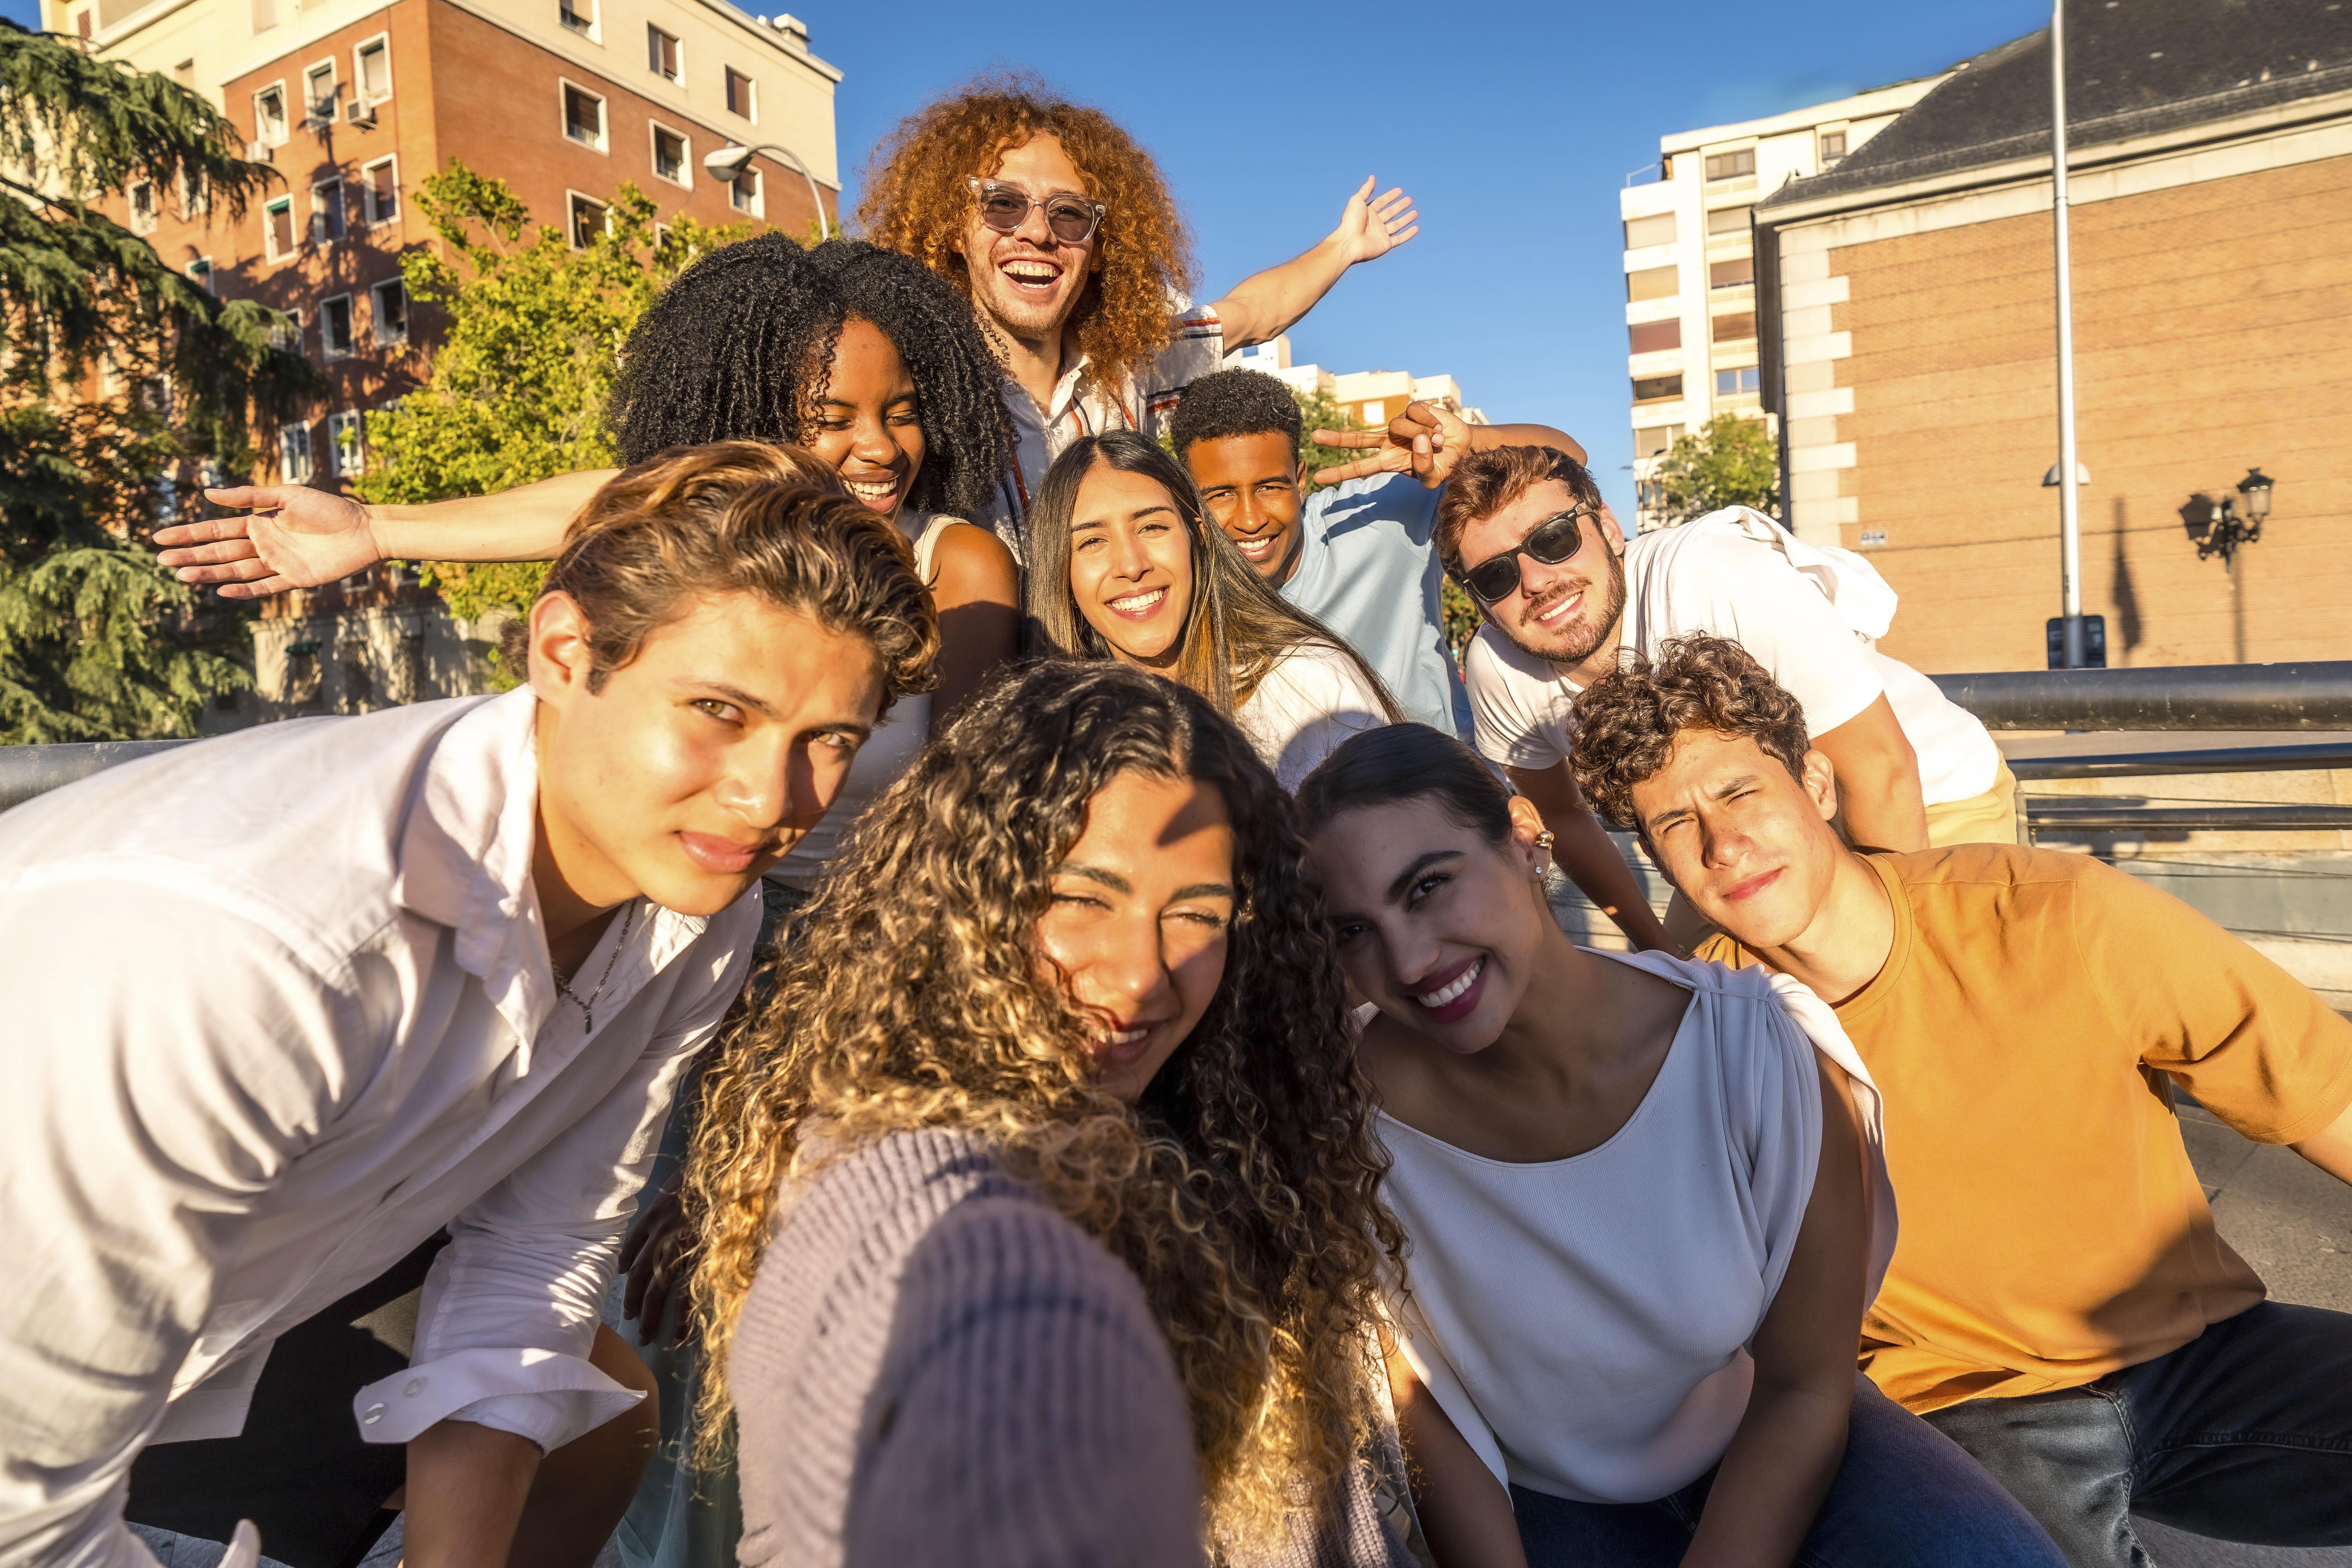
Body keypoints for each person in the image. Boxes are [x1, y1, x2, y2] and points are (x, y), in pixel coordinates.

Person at [0, 445, 937, 1568]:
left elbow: (536, 1253)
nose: (769, 798)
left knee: (604, 1396)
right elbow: (28, 1509)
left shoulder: (698, 910)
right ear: (560, 651)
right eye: (717, 711)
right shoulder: (271, 953)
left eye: (827, 741)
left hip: (133, 1395)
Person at [1569, 633, 2352, 1566]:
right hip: (1958, 1409)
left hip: (2195, 1355)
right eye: (1674, 825)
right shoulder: (1694, 1037)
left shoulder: (2050, 913)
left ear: (1816, 784)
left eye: (1739, 792)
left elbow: (2318, 1089)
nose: (1721, 844)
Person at [682, 659, 1416, 1566]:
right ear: (967, 896)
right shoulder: (917, 1188)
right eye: (1079, 899)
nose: (1139, 975)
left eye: (1196, 915)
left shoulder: (1222, 1141)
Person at [1294, 723, 2065, 1568]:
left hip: (1771, 1431)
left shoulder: (1754, 1052)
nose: (1405, 959)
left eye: (1429, 887)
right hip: (1539, 1501)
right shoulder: (1341, 1126)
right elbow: (1424, 1407)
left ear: (1523, 838)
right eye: (1353, 932)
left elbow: (1805, 1385)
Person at [153, 235, 1020, 732]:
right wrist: (374, 530)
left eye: (900, 412)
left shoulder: (960, 565)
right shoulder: (722, 540)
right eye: (831, 421)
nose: (879, 448)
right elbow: (608, 496)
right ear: (754, 420)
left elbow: (953, 817)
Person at [1437, 444, 2012, 952]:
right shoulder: (1497, 668)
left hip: (1924, 801)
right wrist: (1658, 948)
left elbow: (1880, 770)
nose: (1534, 580)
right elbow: (1560, 814)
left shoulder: (1716, 577)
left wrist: (1894, 965)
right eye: (1494, 576)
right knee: (1696, 1009)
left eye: (1553, 539)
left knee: (1934, 998)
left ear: (1609, 529)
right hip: (1729, 828)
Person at [857, 75, 1420, 544]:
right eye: (1002, 204)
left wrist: (1342, 247)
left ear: (1101, 248)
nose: (1036, 232)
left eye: (1068, 214)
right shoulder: (911, 386)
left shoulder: (1134, 367)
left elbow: (1252, 312)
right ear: (953, 228)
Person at [1165, 369, 1584, 739]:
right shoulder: (1183, 589)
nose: (1251, 519)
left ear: (1300, 479)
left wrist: (1472, 445)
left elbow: (1569, 458)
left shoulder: (1376, 516)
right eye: (1220, 495)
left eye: (1270, 487)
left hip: (1449, 794)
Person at [1022, 430, 1400, 790]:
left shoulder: (1308, 682)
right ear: (1060, 570)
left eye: (1152, 527)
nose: (1131, 565)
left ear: (1198, 536)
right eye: (1091, 541)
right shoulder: (1048, 735)